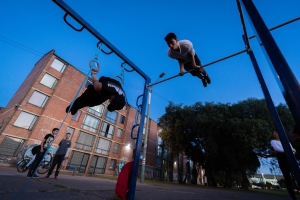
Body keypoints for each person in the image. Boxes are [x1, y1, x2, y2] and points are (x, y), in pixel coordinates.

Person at [271, 131, 297, 200]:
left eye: (276, 132)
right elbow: (279, 150)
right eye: (273, 133)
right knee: (287, 177)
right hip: (282, 159)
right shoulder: (273, 141)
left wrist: (291, 150)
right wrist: (290, 150)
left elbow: (294, 151)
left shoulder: (286, 142)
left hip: (289, 159)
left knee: (295, 175)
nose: (274, 134)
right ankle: (293, 196)